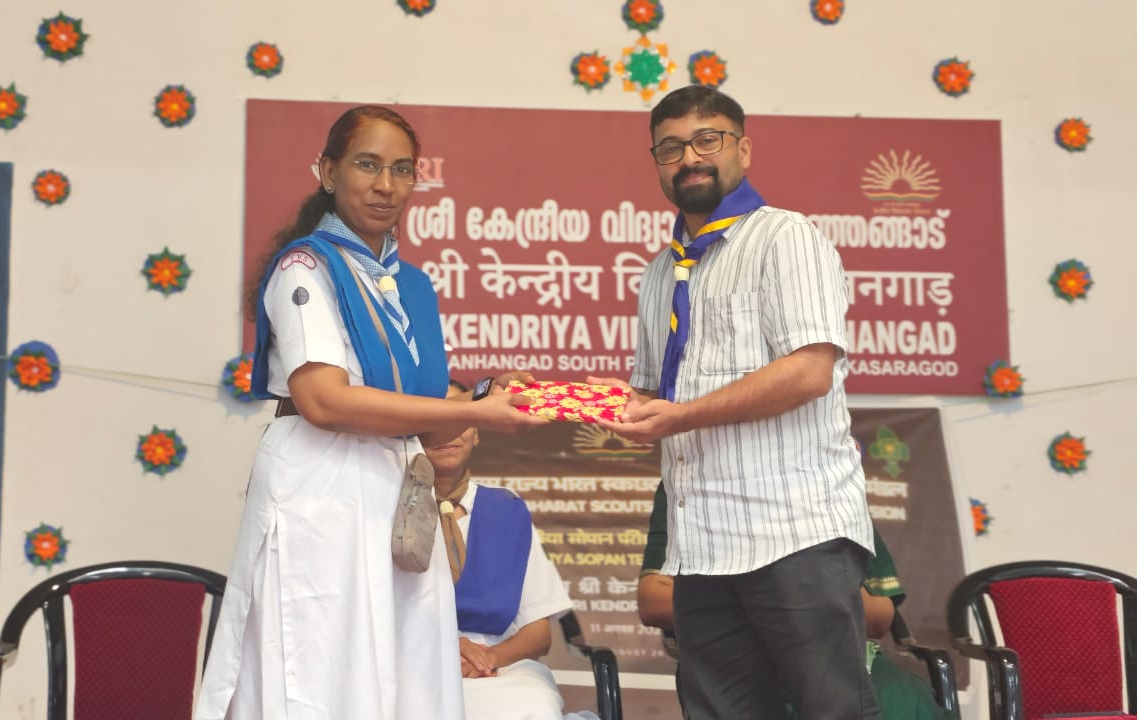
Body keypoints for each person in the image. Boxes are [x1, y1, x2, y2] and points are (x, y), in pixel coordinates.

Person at [195, 105, 546, 720]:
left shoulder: (413, 286)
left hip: (398, 488)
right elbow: (323, 400)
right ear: (328, 172)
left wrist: (486, 398)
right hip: (321, 488)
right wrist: (482, 413)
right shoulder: (306, 267)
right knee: (322, 672)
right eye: (367, 165)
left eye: (402, 170)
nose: (386, 185)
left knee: (405, 673)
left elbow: (422, 417)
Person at [592, 84, 878, 719]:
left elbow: (809, 372)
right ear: (657, 163)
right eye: (670, 148)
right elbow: (653, 395)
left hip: (794, 534)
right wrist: (566, 400)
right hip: (701, 544)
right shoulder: (660, 271)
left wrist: (682, 415)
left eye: (707, 140)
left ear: (743, 151)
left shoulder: (785, 238)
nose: (689, 157)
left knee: (833, 711)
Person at [639, 485, 955, 720]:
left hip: (840, 653)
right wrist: (780, 593)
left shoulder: (827, 480)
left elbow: (878, 617)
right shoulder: (689, 483)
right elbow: (653, 602)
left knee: (906, 703)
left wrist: (795, 584)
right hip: (738, 658)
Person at [424, 380, 601, 720]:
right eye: (439, 418)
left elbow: (538, 634)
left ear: (477, 432)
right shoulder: (386, 510)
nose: (450, 431)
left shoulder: (506, 508)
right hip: (415, 658)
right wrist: (443, 645)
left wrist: (488, 659)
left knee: (533, 708)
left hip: (501, 665)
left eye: (462, 418)